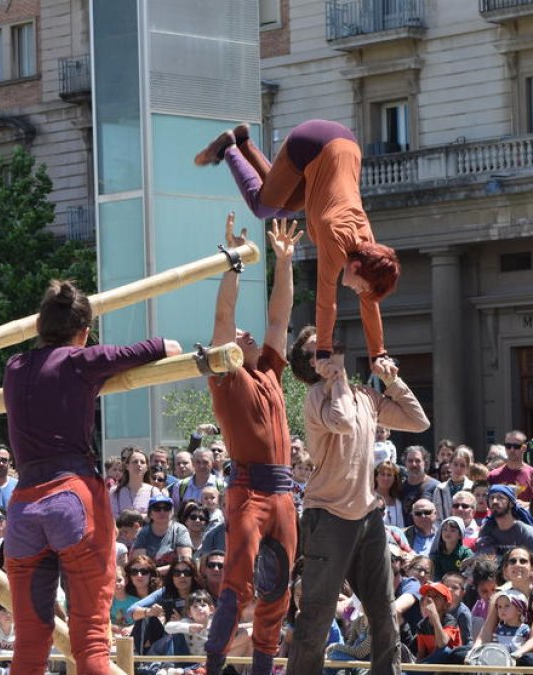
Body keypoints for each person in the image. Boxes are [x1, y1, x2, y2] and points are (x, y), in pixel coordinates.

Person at [1, 278, 180, 675]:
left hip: (24, 506)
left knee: (29, 640)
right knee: (92, 641)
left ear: (38, 327)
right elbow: (163, 348)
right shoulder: (82, 361)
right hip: (72, 497)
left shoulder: (14, 368)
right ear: (83, 333)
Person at [193, 119, 400, 363]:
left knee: (281, 207)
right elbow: (326, 302)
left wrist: (379, 354)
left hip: (342, 148)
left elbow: (369, 304)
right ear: (355, 267)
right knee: (261, 206)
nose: (356, 291)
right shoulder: (336, 241)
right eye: (360, 287)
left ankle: (244, 142)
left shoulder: (367, 244)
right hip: (312, 142)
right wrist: (323, 352)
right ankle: (228, 148)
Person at [285, 324, 429, 675]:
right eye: (321, 348)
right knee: (317, 616)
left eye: (332, 343)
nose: (332, 346)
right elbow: (343, 423)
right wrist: (335, 381)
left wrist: (392, 381)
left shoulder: (367, 395)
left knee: (384, 612)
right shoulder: (317, 395)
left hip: (368, 517)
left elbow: (418, 421)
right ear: (312, 363)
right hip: (328, 516)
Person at [198, 216, 300, 675]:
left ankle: (261, 670)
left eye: (247, 334)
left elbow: (280, 315)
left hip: (283, 494)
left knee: (278, 589)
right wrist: (234, 263)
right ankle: (214, 666)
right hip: (248, 492)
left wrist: (284, 261)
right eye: (241, 336)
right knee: (237, 584)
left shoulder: (271, 374)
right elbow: (223, 321)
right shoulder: (228, 380)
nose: (248, 333)